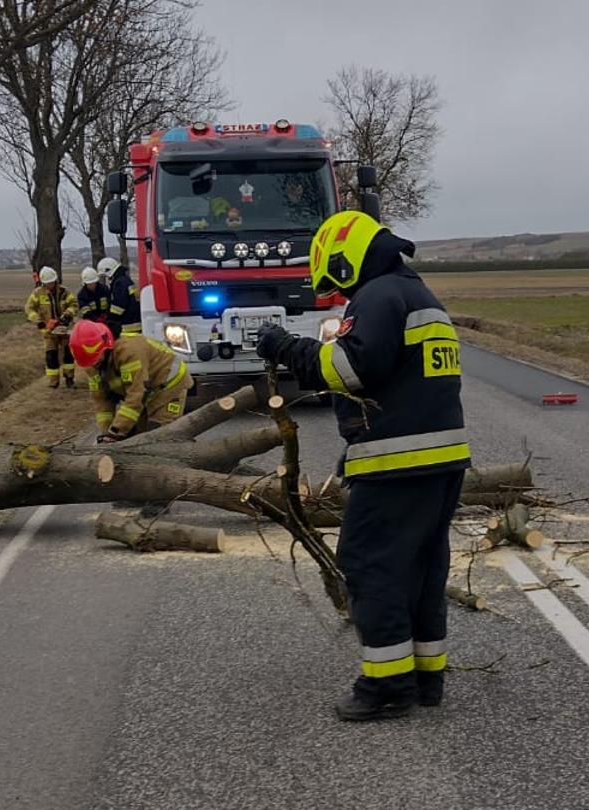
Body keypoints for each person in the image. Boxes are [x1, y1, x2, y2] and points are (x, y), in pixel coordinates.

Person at [255, 210, 469, 722]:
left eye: (332, 275)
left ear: (346, 259)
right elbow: (394, 381)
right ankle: (423, 678)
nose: (332, 288)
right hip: (438, 459)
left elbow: (348, 367)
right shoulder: (418, 295)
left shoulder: (378, 297)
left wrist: (287, 348)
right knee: (421, 568)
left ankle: (386, 687)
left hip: (400, 463)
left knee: (371, 566)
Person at [69, 319, 190, 441]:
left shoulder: (128, 352)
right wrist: (106, 433)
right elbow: (102, 402)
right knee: (138, 435)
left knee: (158, 435)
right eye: (89, 362)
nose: (94, 365)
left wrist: (116, 432)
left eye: (95, 359)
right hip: (146, 390)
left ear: (105, 347)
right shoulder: (91, 364)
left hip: (169, 384)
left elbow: (135, 395)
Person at [25, 266, 78, 388]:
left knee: (68, 355)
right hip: (48, 331)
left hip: (64, 329)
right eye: (48, 283)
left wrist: (67, 315)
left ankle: (69, 379)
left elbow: (74, 305)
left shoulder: (65, 292)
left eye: (52, 282)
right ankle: (53, 382)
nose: (51, 285)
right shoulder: (37, 294)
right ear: (44, 282)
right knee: (51, 356)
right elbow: (29, 309)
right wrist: (39, 322)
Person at [100, 256, 142, 337]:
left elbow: (118, 307)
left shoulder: (119, 283)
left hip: (127, 325)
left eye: (106, 276)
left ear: (109, 271)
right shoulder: (125, 280)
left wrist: (109, 319)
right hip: (135, 322)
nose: (107, 278)